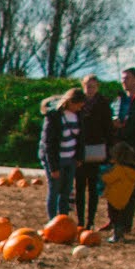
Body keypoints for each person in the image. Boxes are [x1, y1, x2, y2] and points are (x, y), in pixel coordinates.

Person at [38, 87, 84, 221]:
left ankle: (63, 219)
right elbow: (49, 144)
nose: (80, 108)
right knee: (54, 191)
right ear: (70, 102)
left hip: (70, 158)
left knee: (66, 191)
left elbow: (81, 138)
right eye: (78, 105)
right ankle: (53, 221)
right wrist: (53, 167)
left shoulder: (78, 115)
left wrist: (79, 156)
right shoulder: (54, 116)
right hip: (56, 160)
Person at [74, 73, 112, 226]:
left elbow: (108, 128)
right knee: (80, 187)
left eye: (93, 86)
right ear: (83, 86)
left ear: (97, 87)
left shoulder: (103, 104)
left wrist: (109, 150)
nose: (90, 89)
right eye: (87, 86)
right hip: (80, 149)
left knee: (94, 188)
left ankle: (91, 221)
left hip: (96, 149)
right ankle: (80, 221)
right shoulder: (77, 103)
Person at [99, 141, 135, 243]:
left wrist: (101, 175)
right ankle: (122, 231)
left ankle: (116, 235)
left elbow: (109, 179)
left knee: (115, 217)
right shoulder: (133, 170)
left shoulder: (118, 169)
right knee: (124, 216)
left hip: (115, 197)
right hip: (127, 197)